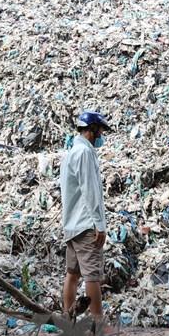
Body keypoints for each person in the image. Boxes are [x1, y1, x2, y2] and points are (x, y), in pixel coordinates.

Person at [60, 111, 110, 320]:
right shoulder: (84, 154)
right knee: (92, 276)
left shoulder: (72, 153)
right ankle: (99, 326)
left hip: (72, 225)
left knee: (72, 274)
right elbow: (90, 191)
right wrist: (99, 225)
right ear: (92, 130)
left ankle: (67, 319)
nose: (101, 136)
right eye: (100, 131)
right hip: (85, 225)